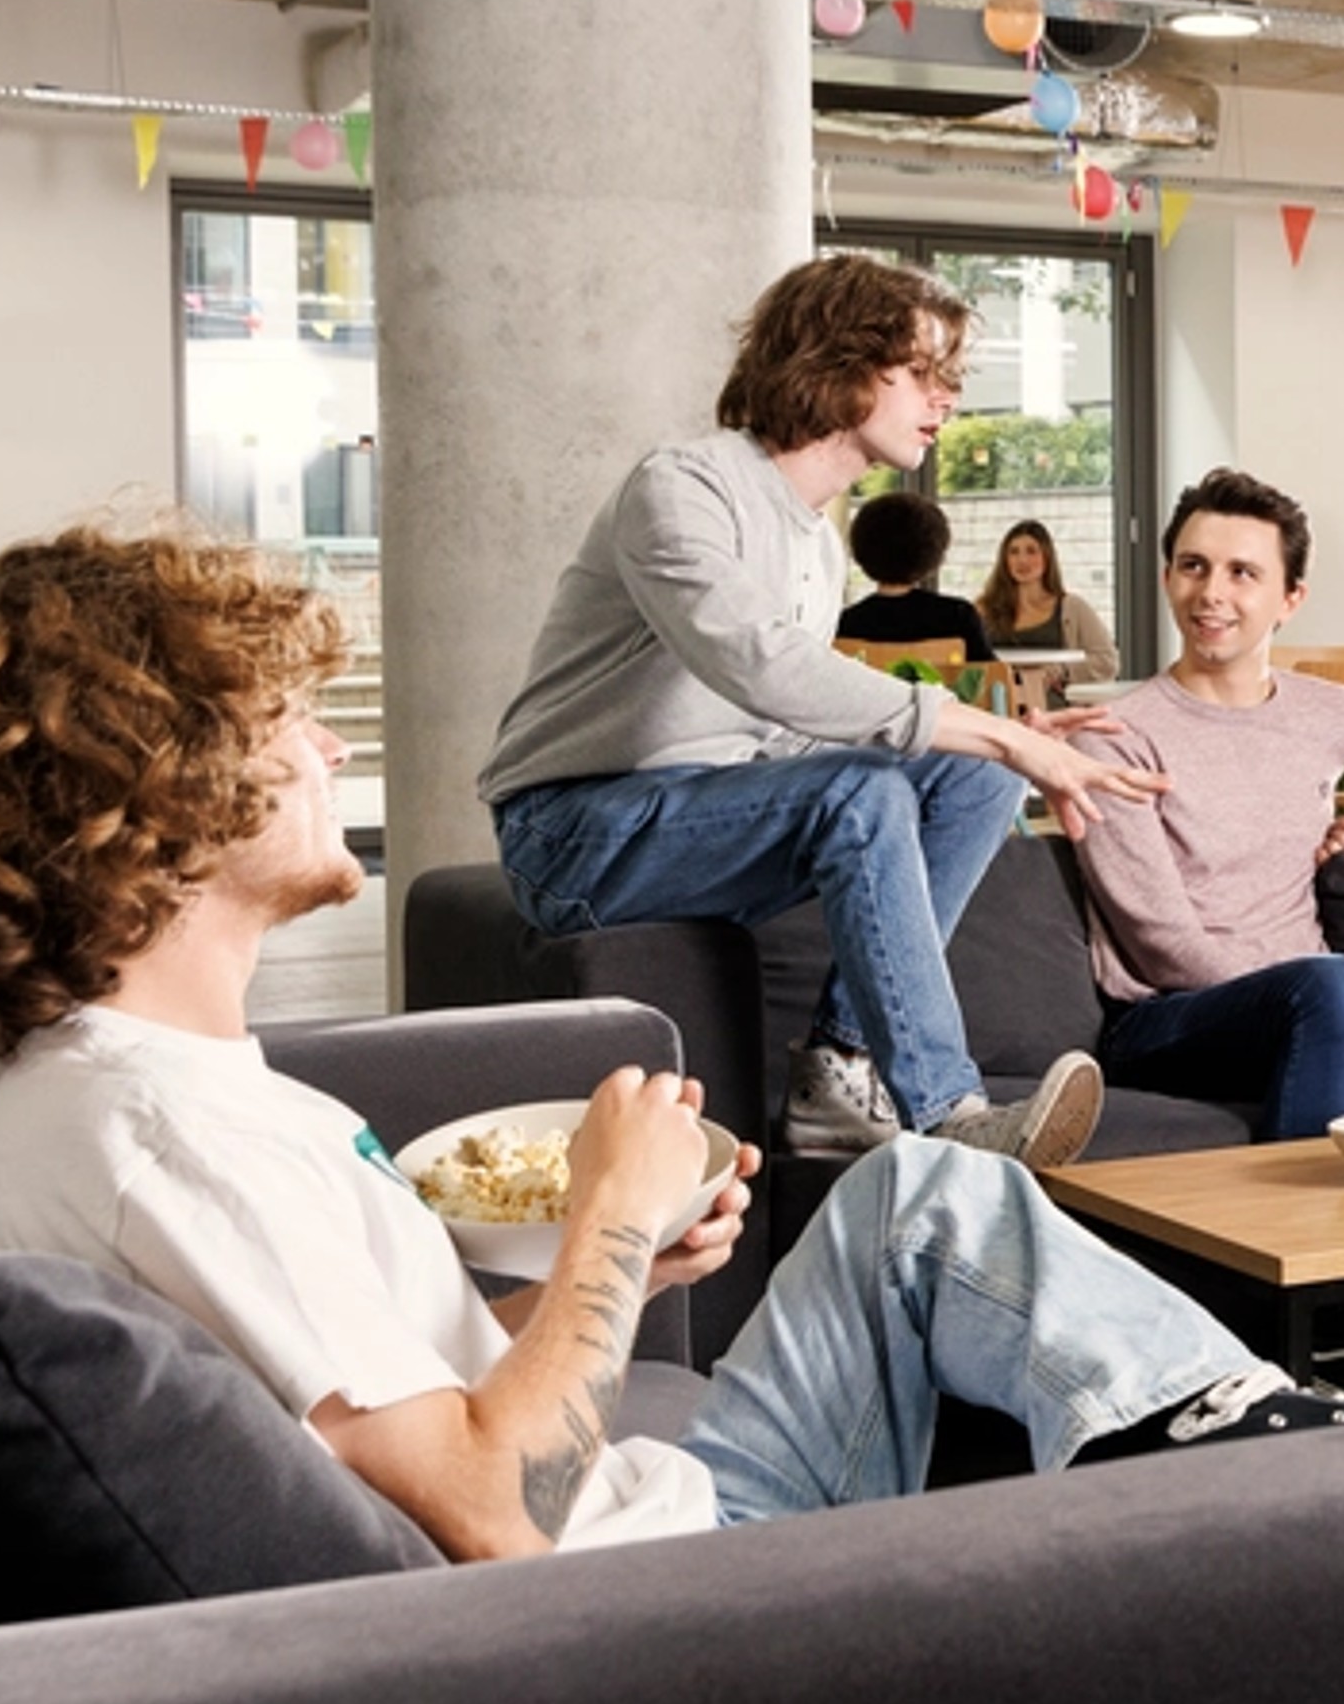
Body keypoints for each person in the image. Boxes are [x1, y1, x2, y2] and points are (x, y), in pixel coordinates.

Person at [0, 524, 1344, 1567]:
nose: (335, 751)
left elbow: (382, 1399)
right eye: (287, 719)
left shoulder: (124, 1093)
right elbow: (490, 1510)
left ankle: (1268, 1438)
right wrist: (605, 1213)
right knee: (938, 1202)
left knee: (920, 1193)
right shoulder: (164, 1138)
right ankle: (1330, 1491)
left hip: (639, 1516)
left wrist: (624, 1267)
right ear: (160, 784)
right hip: (661, 1584)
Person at [478, 253, 1167, 1168]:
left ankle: (838, 1071)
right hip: (571, 833)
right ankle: (950, 1110)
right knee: (870, 789)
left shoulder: (816, 545)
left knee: (976, 780)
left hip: (700, 814)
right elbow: (758, 664)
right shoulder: (682, 488)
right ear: (838, 363)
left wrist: (999, 746)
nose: (947, 397)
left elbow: (785, 732)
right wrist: (994, 727)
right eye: (920, 371)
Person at [1071, 468, 1344, 1135]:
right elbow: (1163, 943)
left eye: (1242, 573)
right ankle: (1315, 1196)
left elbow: (1272, 823)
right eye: (1193, 566)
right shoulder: (1113, 737)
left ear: (1290, 598)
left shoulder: (1332, 716)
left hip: (1319, 1006)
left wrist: (1332, 844)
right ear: (1167, 578)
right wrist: (1340, 1017)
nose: (1211, 592)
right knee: (1332, 984)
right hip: (1168, 1017)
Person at [834, 489, 995, 668]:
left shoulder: (844, 624)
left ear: (861, 551)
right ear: (934, 553)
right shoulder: (958, 617)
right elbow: (993, 678)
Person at [973, 515, 1122, 708]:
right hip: (996, 708)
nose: (1022, 560)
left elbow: (1107, 661)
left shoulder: (1072, 607)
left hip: (1056, 710)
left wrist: (1064, 670)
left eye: (1031, 551)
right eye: (1014, 552)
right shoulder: (982, 609)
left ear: (1047, 557)